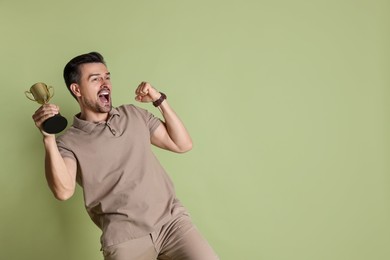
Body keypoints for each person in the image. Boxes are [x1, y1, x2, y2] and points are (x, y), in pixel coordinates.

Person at [32, 52, 219, 260]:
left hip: (171, 223)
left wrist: (159, 100)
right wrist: (48, 138)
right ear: (76, 89)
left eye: (107, 77)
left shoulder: (134, 114)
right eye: (95, 79)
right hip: (125, 239)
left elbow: (182, 144)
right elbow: (63, 191)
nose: (105, 84)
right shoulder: (69, 142)